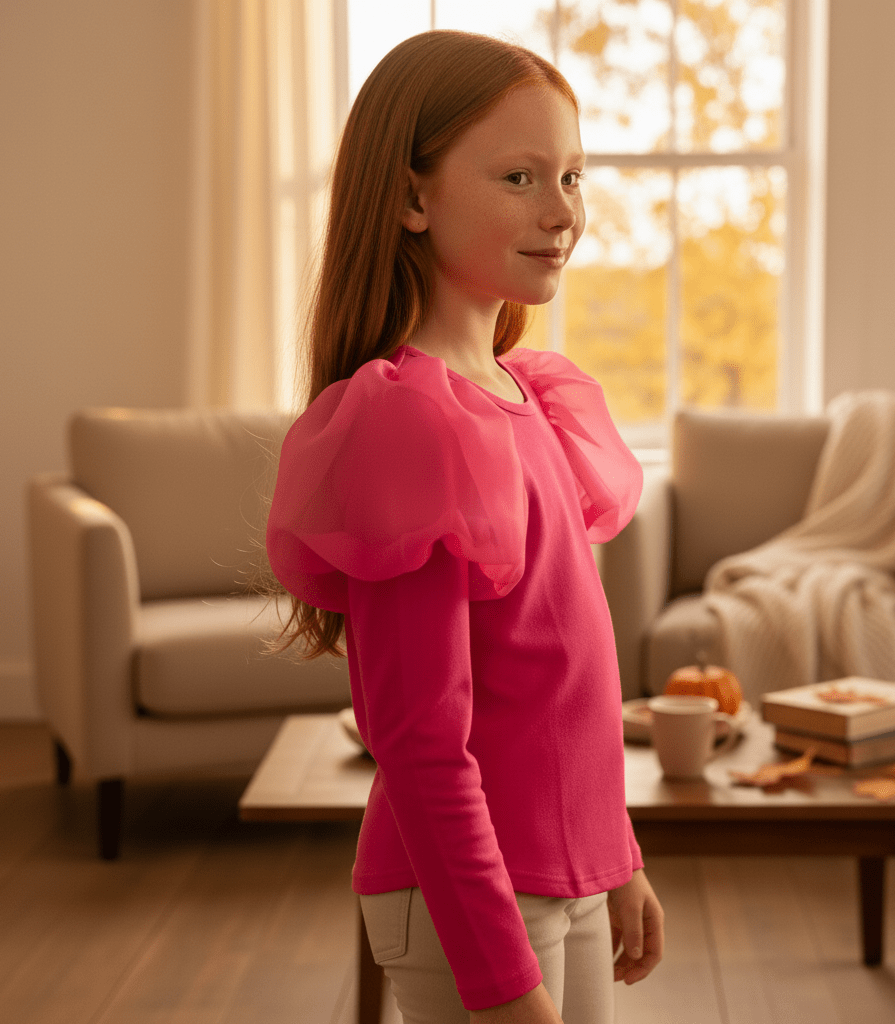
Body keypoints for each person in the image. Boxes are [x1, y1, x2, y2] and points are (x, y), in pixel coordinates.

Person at [266, 29, 664, 1024]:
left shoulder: (532, 400)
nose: (561, 211)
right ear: (413, 198)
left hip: (564, 878)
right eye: (520, 177)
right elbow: (419, 743)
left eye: (571, 176)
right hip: (471, 902)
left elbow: (561, 686)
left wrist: (617, 856)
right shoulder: (411, 426)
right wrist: (501, 982)